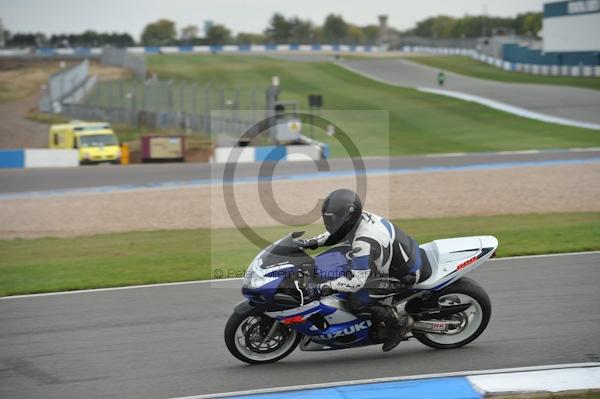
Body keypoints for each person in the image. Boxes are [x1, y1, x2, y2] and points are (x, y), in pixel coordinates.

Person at [294, 189, 424, 352]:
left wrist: (325, 287)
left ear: (347, 216)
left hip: (403, 275)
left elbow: (357, 281)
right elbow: (336, 234)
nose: (331, 221)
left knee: (355, 302)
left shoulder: (364, 241)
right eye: (329, 217)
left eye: (334, 218)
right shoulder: (356, 220)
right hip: (399, 257)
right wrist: (309, 243)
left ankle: (397, 323)